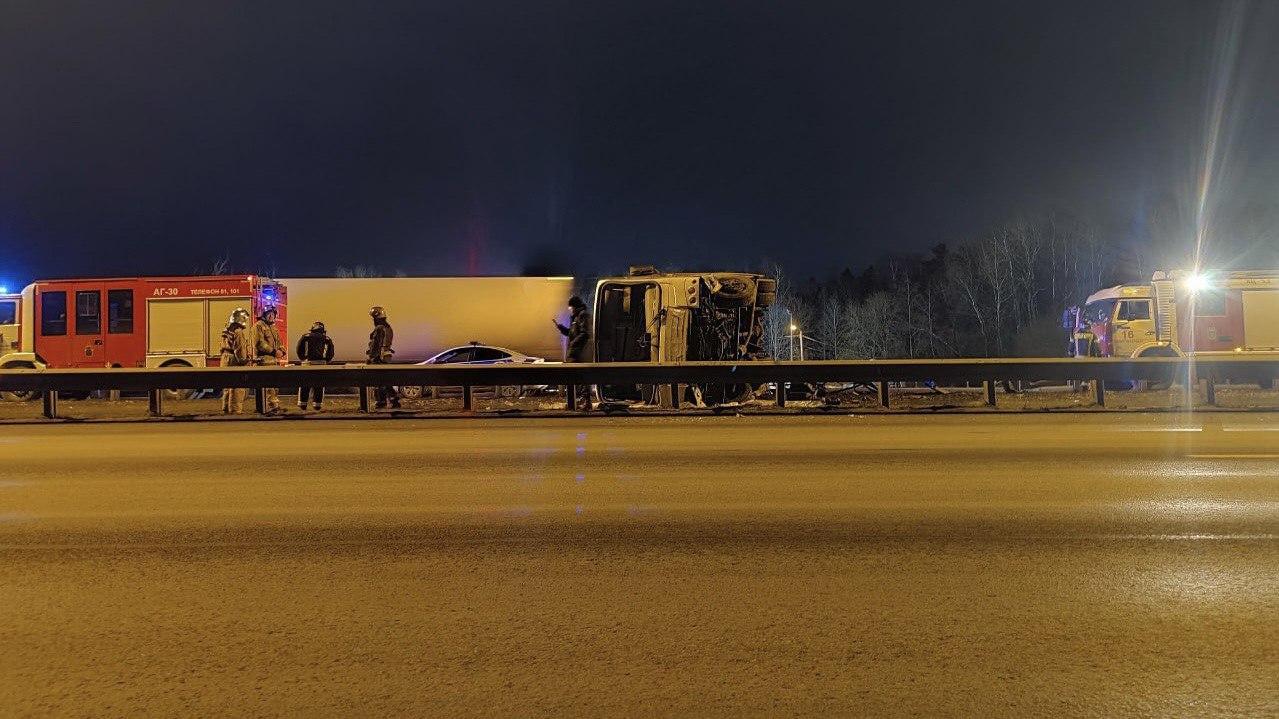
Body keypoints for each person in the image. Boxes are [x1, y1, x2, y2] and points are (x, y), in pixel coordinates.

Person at [553, 295, 594, 410]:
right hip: (576, 353)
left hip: (581, 353)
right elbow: (572, 334)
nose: (570, 310)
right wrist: (561, 328)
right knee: (578, 379)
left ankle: (586, 402)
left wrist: (573, 344)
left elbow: (584, 334)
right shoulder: (576, 317)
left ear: (575, 306)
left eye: (570, 307)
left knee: (582, 379)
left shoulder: (582, 315)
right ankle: (580, 402)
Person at [219, 308, 252, 414]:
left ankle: (225, 408)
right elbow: (240, 350)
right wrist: (245, 360)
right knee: (237, 387)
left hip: (225, 359)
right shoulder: (238, 332)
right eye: (244, 318)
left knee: (227, 386)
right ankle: (235, 410)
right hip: (234, 360)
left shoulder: (227, 329)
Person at [296, 321, 335, 411]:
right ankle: (317, 405)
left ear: (312, 329)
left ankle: (303, 404)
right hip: (321, 364)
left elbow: (299, 349)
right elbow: (331, 353)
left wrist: (303, 359)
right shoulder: (327, 339)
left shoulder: (305, 337)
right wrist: (326, 361)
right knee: (319, 385)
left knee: (304, 384)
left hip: (307, 364)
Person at [253, 306, 285, 413]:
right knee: (267, 387)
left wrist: (282, 351)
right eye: (269, 314)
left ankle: (274, 406)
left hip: (274, 361)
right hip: (263, 361)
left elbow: (280, 342)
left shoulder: (273, 328)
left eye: (273, 314)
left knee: (275, 386)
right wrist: (274, 352)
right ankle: (268, 408)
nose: (272, 316)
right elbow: (260, 344)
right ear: (264, 315)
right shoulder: (258, 326)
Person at [367, 306, 401, 409]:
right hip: (386, 358)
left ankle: (381, 401)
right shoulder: (388, 327)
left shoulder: (379, 328)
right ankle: (393, 398)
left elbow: (375, 345)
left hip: (378, 358)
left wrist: (370, 358)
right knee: (386, 380)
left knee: (378, 381)